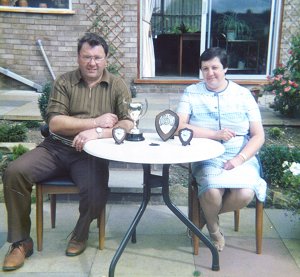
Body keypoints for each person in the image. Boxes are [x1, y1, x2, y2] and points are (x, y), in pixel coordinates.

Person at [2, 32, 133, 271]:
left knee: (96, 192)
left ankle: (80, 234)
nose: (92, 63)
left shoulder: (117, 85)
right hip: (56, 148)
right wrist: (95, 122)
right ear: (78, 57)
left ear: (106, 59)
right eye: (87, 57)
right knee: (14, 172)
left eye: (97, 57)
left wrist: (99, 133)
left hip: (92, 153)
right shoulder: (64, 82)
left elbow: (127, 123)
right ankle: (21, 242)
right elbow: (56, 124)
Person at [176, 47, 266, 252]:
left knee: (245, 194)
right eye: (205, 68)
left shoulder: (243, 95)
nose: (210, 73)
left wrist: (239, 159)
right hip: (205, 155)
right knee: (212, 193)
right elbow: (178, 127)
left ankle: (201, 218)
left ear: (226, 68)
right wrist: (214, 134)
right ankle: (214, 231)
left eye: (215, 67)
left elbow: (258, 135)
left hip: (239, 155)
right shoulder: (192, 92)